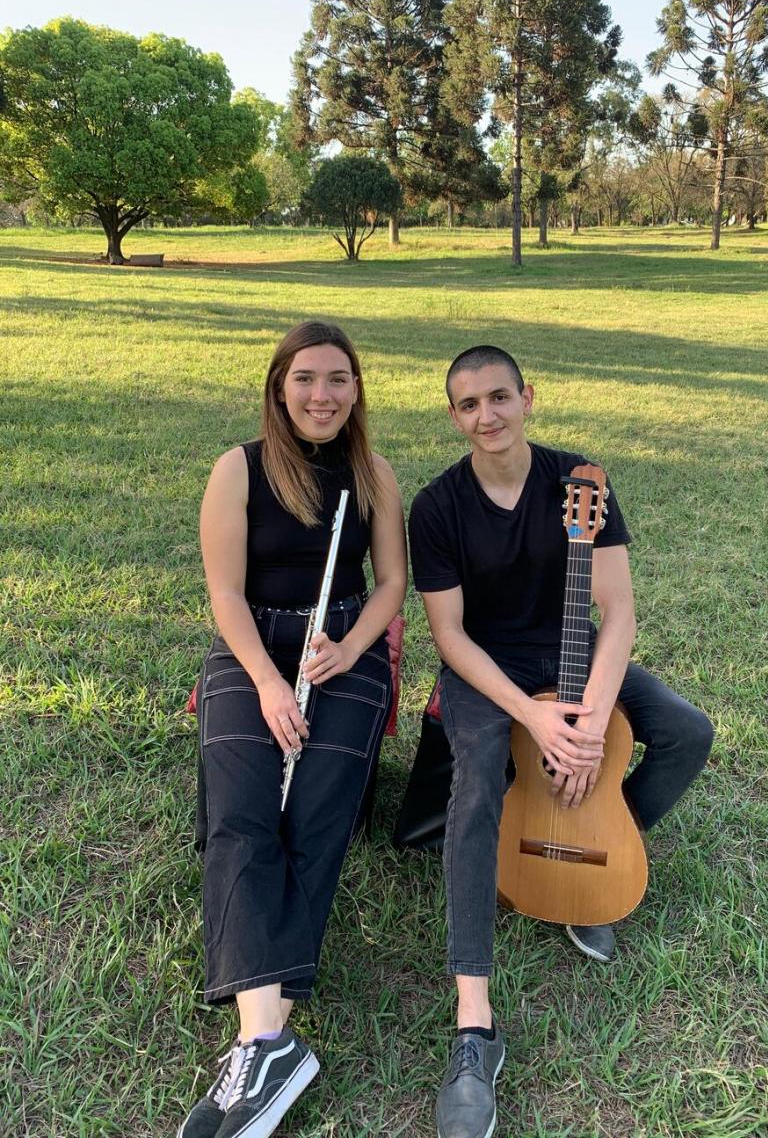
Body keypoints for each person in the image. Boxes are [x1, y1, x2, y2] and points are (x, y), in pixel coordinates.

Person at [407, 345, 713, 1138]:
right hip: (486, 671)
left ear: (528, 397)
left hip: (573, 655)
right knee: (476, 778)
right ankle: (475, 1026)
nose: (488, 416)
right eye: (469, 404)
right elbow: (449, 637)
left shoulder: (581, 483)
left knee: (687, 731)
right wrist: (537, 717)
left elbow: (618, 613)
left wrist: (586, 720)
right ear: (454, 416)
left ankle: (599, 842)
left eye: (500, 397)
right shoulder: (437, 507)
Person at [180, 321, 406, 1138]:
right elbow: (226, 596)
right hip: (253, 652)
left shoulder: (372, 472)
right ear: (279, 387)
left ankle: (262, 1052)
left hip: (339, 651)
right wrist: (269, 684)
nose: (322, 395)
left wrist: (349, 648)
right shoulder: (235, 469)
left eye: (338, 379)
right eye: (306, 378)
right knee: (242, 819)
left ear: (356, 390)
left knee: (312, 814)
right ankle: (267, 1042)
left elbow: (392, 586)